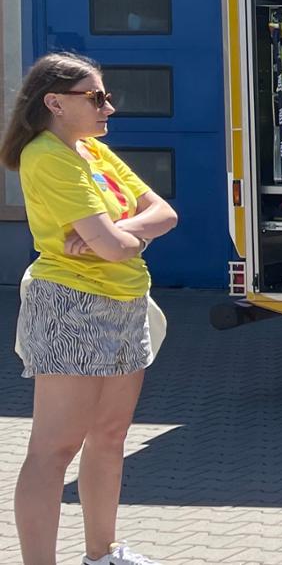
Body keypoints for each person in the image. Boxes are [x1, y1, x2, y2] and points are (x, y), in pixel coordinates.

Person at [6, 54, 178, 565]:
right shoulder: (46, 155)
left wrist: (119, 235)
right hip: (71, 305)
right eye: (97, 97)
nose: (110, 106)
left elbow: (165, 213)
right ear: (54, 102)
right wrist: (120, 238)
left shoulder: (91, 151)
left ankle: (101, 555)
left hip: (125, 301)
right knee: (54, 450)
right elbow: (115, 246)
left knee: (109, 436)